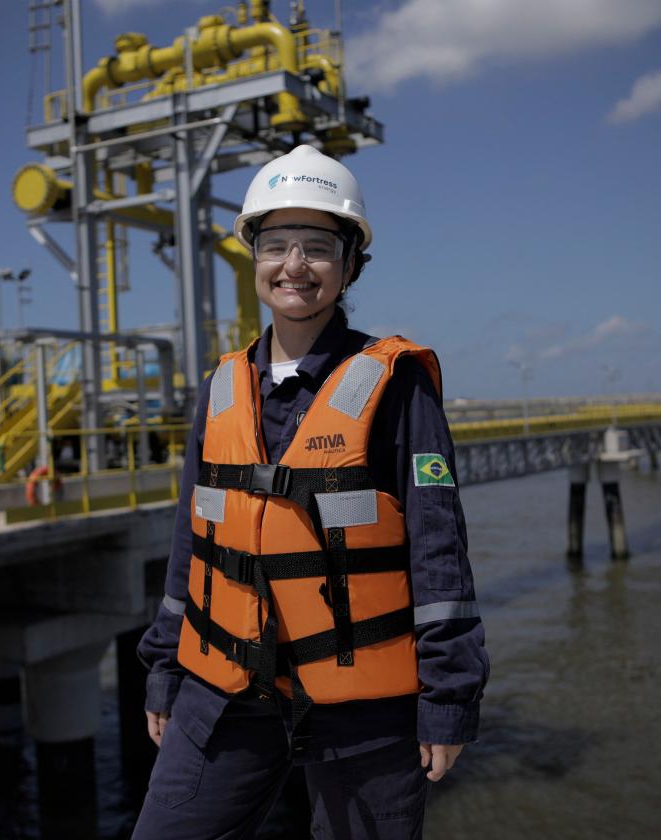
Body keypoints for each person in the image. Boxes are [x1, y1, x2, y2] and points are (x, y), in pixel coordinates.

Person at [132, 144, 489, 839]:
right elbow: (192, 544)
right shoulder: (222, 388)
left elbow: (439, 554)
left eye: (318, 247)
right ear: (253, 256)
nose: (294, 265)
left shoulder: (396, 384)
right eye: (276, 244)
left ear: (351, 264)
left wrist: (448, 698)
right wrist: (164, 666)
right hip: (223, 689)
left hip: (363, 703)